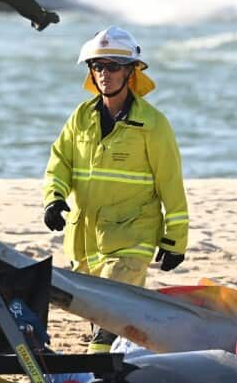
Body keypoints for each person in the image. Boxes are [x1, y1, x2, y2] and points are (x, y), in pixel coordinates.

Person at [42, 26, 190, 353]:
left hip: (132, 238)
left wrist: (176, 240)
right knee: (102, 317)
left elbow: (171, 184)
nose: (104, 74)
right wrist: (53, 198)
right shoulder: (80, 118)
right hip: (84, 241)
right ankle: (120, 374)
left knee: (107, 325)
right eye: (98, 67)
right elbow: (59, 163)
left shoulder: (153, 125)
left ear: (131, 72)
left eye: (113, 67)